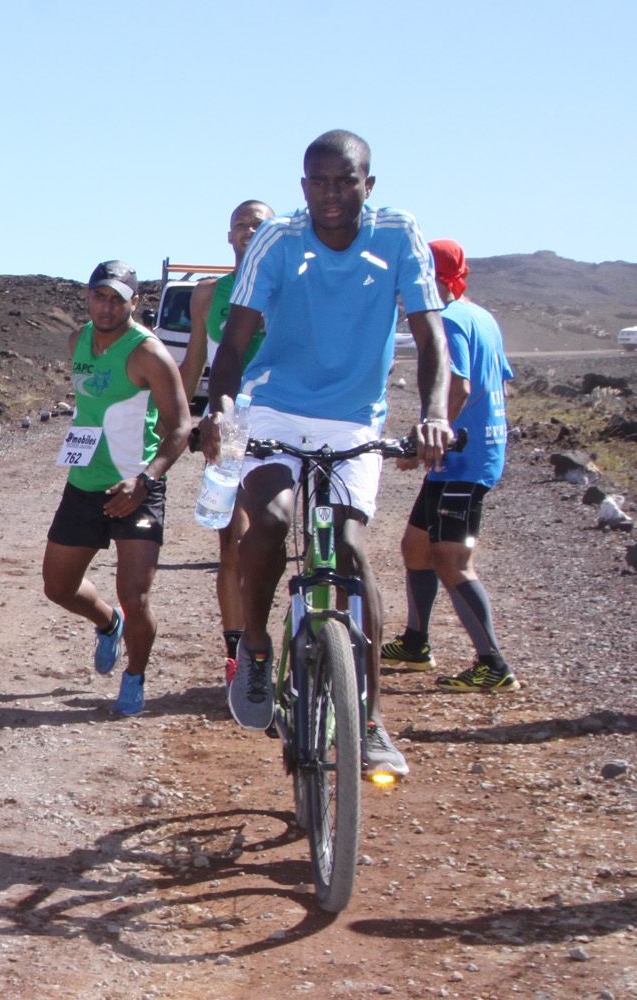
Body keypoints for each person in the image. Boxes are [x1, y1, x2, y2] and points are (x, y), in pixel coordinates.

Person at [203, 129, 452, 781]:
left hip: (353, 419)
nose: (332, 194)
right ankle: (255, 648)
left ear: (370, 184)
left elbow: (430, 339)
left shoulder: (399, 235)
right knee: (275, 519)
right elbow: (234, 341)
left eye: (346, 181)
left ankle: (367, 722)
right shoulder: (278, 240)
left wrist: (431, 414)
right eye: (318, 181)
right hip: (276, 405)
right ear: (303, 185)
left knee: (351, 550)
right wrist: (222, 409)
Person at [40, 262, 191, 717]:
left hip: (137, 487)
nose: (107, 307)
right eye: (99, 296)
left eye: (117, 299)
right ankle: (108, 623)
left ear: (134, 303)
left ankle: (135, 677)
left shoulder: (148, 353)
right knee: (58, 587)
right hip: (84, 485)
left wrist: (147, 480)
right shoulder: (77, 340)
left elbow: (181, 426)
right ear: (87, 297)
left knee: (136, 593)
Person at [383, 240, 519, 691]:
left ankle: (493, 664)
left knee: (451, 559)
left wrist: (428, 440)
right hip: (463, 456)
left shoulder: (451, 321)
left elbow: (457, 386)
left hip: (463, 459)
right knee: (416, 546)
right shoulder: (481, 316)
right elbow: (498, 379)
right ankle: (416, 642)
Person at [178, 200, 274, 681]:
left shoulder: (289, 288)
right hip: (229, 424)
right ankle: (239, 654)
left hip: (282, 422)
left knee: (278, 534)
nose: (248, 229)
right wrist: (174, 417)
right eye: (240, 222)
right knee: (232, 541)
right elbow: (195, 363)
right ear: (228, 235)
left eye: (259, 223)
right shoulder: (207, 295)